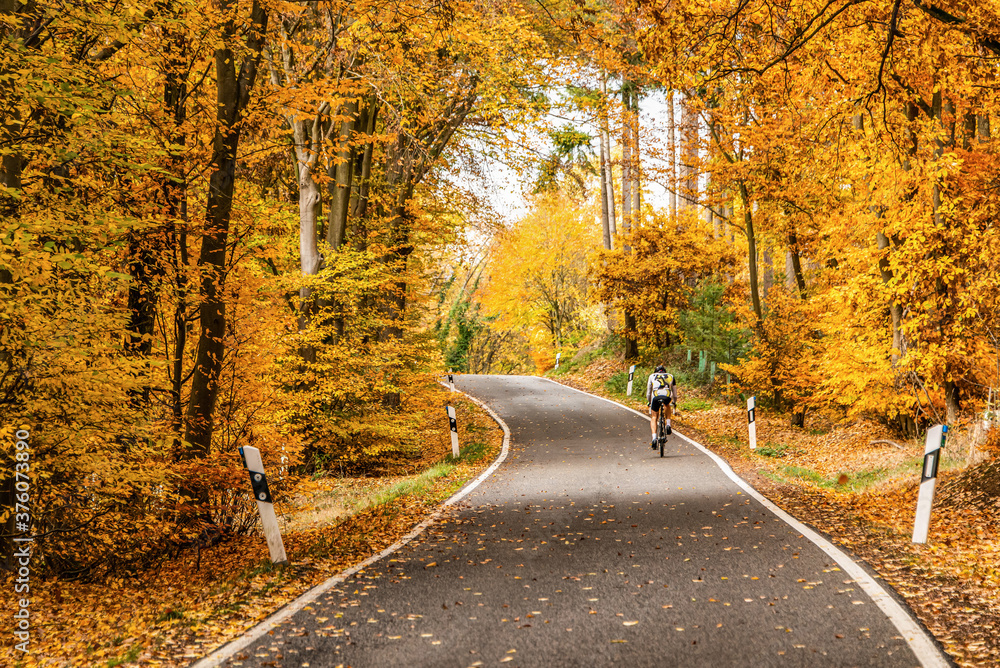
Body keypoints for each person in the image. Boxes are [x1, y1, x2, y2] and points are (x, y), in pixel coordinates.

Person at [645, 364, 678, 448]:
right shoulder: (670, 376)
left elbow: (648, 392)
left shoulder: (652, 376)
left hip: (656, 397)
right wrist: (674, 402)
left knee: (654, 417)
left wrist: (649, 402)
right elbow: (675, 393)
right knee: (667, 404)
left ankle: (654, 438)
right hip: (666, 395)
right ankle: (668, 424)